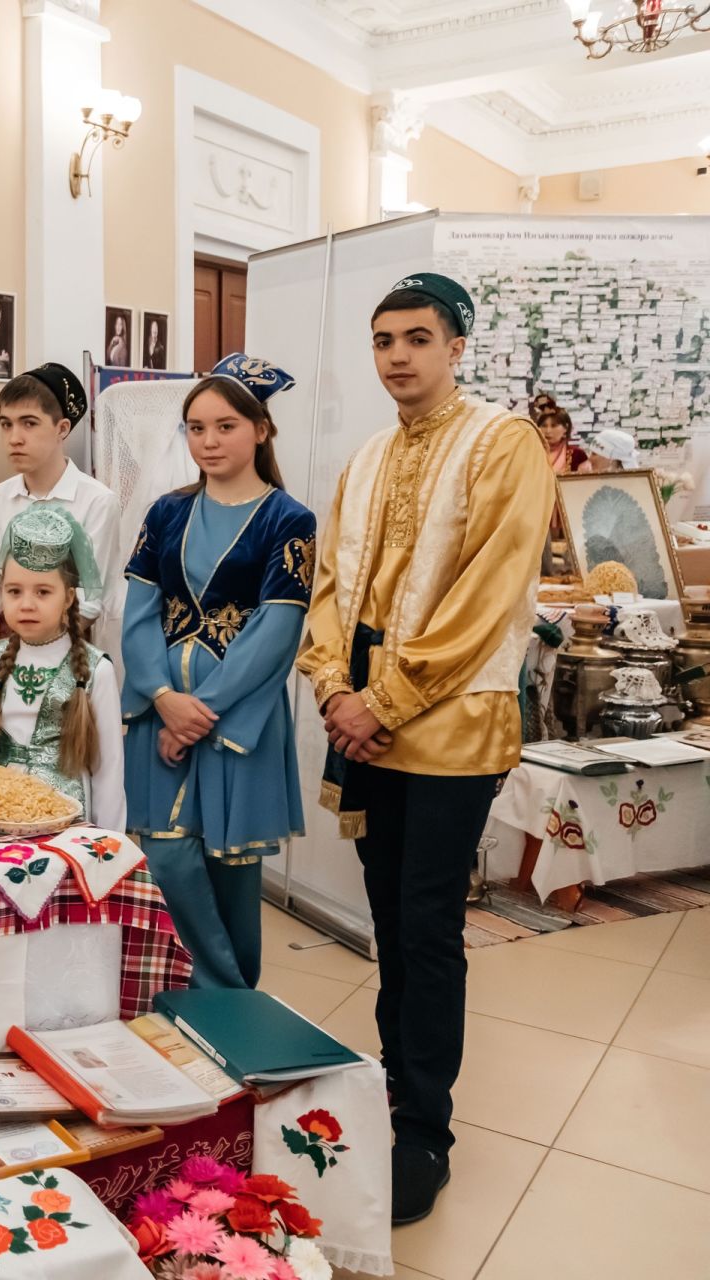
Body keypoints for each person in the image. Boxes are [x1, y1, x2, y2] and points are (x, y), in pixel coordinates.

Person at [297, 272, 554, 1226]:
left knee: (428, 927)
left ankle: (428, 1132)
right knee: (385, 925)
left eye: (416, 338)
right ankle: (394, 1093)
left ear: (457, 348)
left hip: (447, 729)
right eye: (382, 340)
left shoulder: (503, 444)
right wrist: (330, 683)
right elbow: (333, 588)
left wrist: (383, 699)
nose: (397, 356)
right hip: (360, 712)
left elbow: (488, 596)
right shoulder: (365, 458)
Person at [122, 354, 317, 989]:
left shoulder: (290, 520)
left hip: (238, 713)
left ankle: (233, 1006)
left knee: (230, 869)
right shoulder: (166, 513)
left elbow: (276, 631)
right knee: (165, 853)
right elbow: (140, 614)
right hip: (162, 707)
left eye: (225, 425)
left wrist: (199, 710)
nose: (208, 441)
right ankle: (211, 994)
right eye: (196, 428)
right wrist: (160, 696)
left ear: (261, 429)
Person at [0, 502, 124, 827]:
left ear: (68, 598)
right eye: (14, 591)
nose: (26, 604)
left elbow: (108, 771)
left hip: (67, 826)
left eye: (43, 592)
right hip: (0, 820)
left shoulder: (96, 670)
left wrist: (106, 849)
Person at [0, 364, 123, 659]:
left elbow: (89, 601)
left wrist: (33, 658)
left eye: (29, 423)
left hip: (72, 655)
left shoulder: (97, 502)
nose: (15, 438)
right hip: (6, 654)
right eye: (6, 424)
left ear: (62, 428)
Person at [534, 405, 589, 475]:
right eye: (544, 426)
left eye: (554, 426)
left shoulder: (577, 455)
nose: (548, 431)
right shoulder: (530, 453)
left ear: (565, 428)